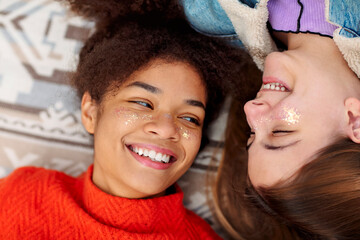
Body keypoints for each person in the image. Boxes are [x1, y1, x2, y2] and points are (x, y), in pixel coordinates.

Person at [0, 1, 261, 239]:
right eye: (142, 103)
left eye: (190, 118)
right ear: (91, 113)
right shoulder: (21, 197)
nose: (167, 128)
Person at [180, 0, 360, 239]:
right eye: (280, 132)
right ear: (354, 120)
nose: (251, 109)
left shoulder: (212, 15)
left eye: (252, 134)